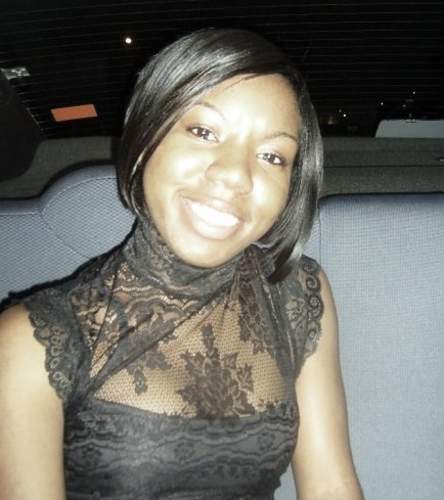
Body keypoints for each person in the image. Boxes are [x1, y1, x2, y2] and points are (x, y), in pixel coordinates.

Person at [0, 28, 364, 499]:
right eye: (203, 132)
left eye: (272, 155)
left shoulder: (297, 292)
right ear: (146, 134)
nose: (235, 175)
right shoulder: (30, 341)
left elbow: (331, 485)